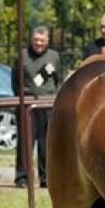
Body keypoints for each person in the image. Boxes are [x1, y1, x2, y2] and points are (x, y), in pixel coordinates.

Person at [12, 26, 61, 188]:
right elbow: (15, 81)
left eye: (42, 40)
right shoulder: (22, 56)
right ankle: (22, 177)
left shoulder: (54, 57)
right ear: (31, 40)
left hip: (47, 105)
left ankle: (46, 177)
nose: (39, 43)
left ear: (47, 41)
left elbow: (58, 79)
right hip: (27, 105)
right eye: (36, 40)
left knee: (46, 143)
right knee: (25, 142)